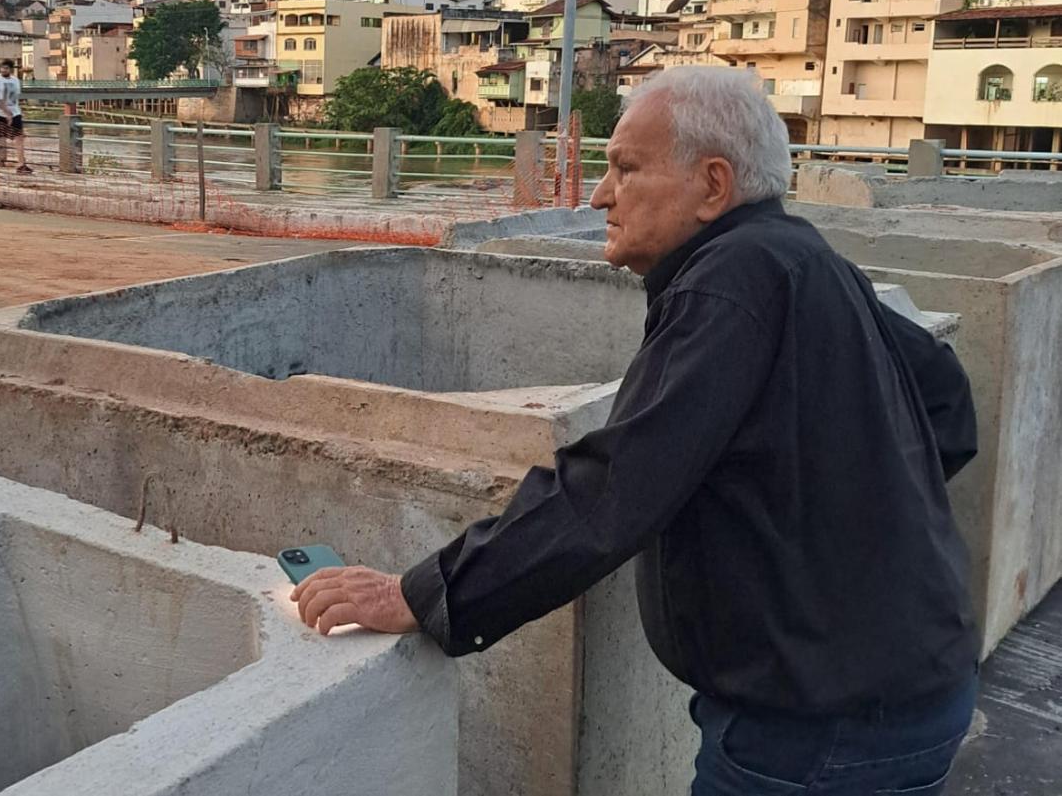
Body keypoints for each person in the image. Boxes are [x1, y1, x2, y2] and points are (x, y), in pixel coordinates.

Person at [292, 66, 980, 796]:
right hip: (906, 697)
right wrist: (820, 538)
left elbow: (615, 485)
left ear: (713, 185)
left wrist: (430, 593)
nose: (598, 194)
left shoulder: (729, 281)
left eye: (625, 167)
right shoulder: (800, 254)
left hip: (816, 736)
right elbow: (947, 406)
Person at [0, 59, 32, 174]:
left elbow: (16, 97)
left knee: (19, 138)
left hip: (15, 112)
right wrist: (6, 112)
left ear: (10, 69)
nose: (3, 70)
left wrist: (16, 112)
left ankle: (21, 164)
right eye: (2, 68)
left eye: (6, 68)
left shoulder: (16, 80)